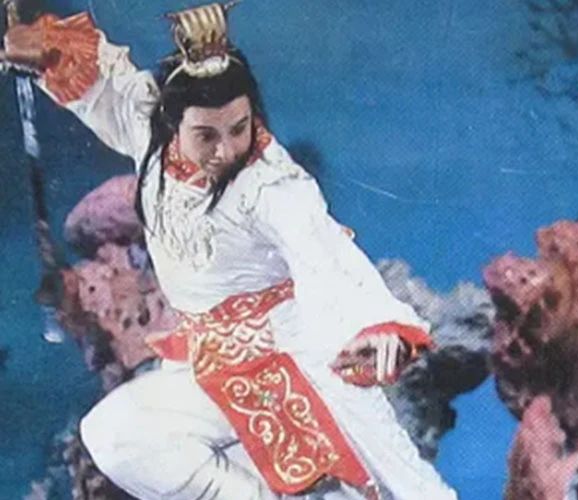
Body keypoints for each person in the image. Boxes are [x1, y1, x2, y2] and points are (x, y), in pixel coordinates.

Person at [2, 4, 457, 500]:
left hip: (293, 362)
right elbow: (110, 85)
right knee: (115, 435)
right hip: (207, 364)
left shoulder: (271, 185)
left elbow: (326, 254)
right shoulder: (151, 136)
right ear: (172, 125)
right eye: (207, 135)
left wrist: (377, 325)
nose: (226, 149)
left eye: (239, 128)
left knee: (404, 487)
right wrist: (47, 48)